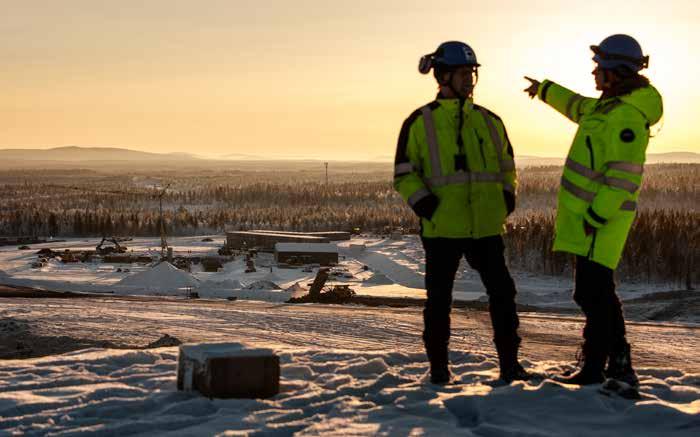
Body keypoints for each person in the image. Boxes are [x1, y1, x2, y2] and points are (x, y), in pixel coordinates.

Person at [524, 34, 663, 385]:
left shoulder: (626, 117)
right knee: (596, 292)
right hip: (590, 221)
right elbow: (575, 105)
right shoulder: (606, 108)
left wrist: (596, 217)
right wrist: (544, 90)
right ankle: (616, 364)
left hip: (600, 223)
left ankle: (598, 367)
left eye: (599, 66)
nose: (593, 72)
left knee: (592, 293)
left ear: (615, 71)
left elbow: (622, 178)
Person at [394, 41, 527, 384]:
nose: (470, 80)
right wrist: (425, 205)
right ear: (443, 76)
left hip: (485, 226)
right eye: (463, 73)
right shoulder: (419, 122)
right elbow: (404, 173)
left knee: (503, 295)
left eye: (472, 73)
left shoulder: (490, 121)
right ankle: (439, 369)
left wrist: (507, 197)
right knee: (439, 302)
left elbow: (507, 166)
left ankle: (510, 365)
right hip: (442, 229)